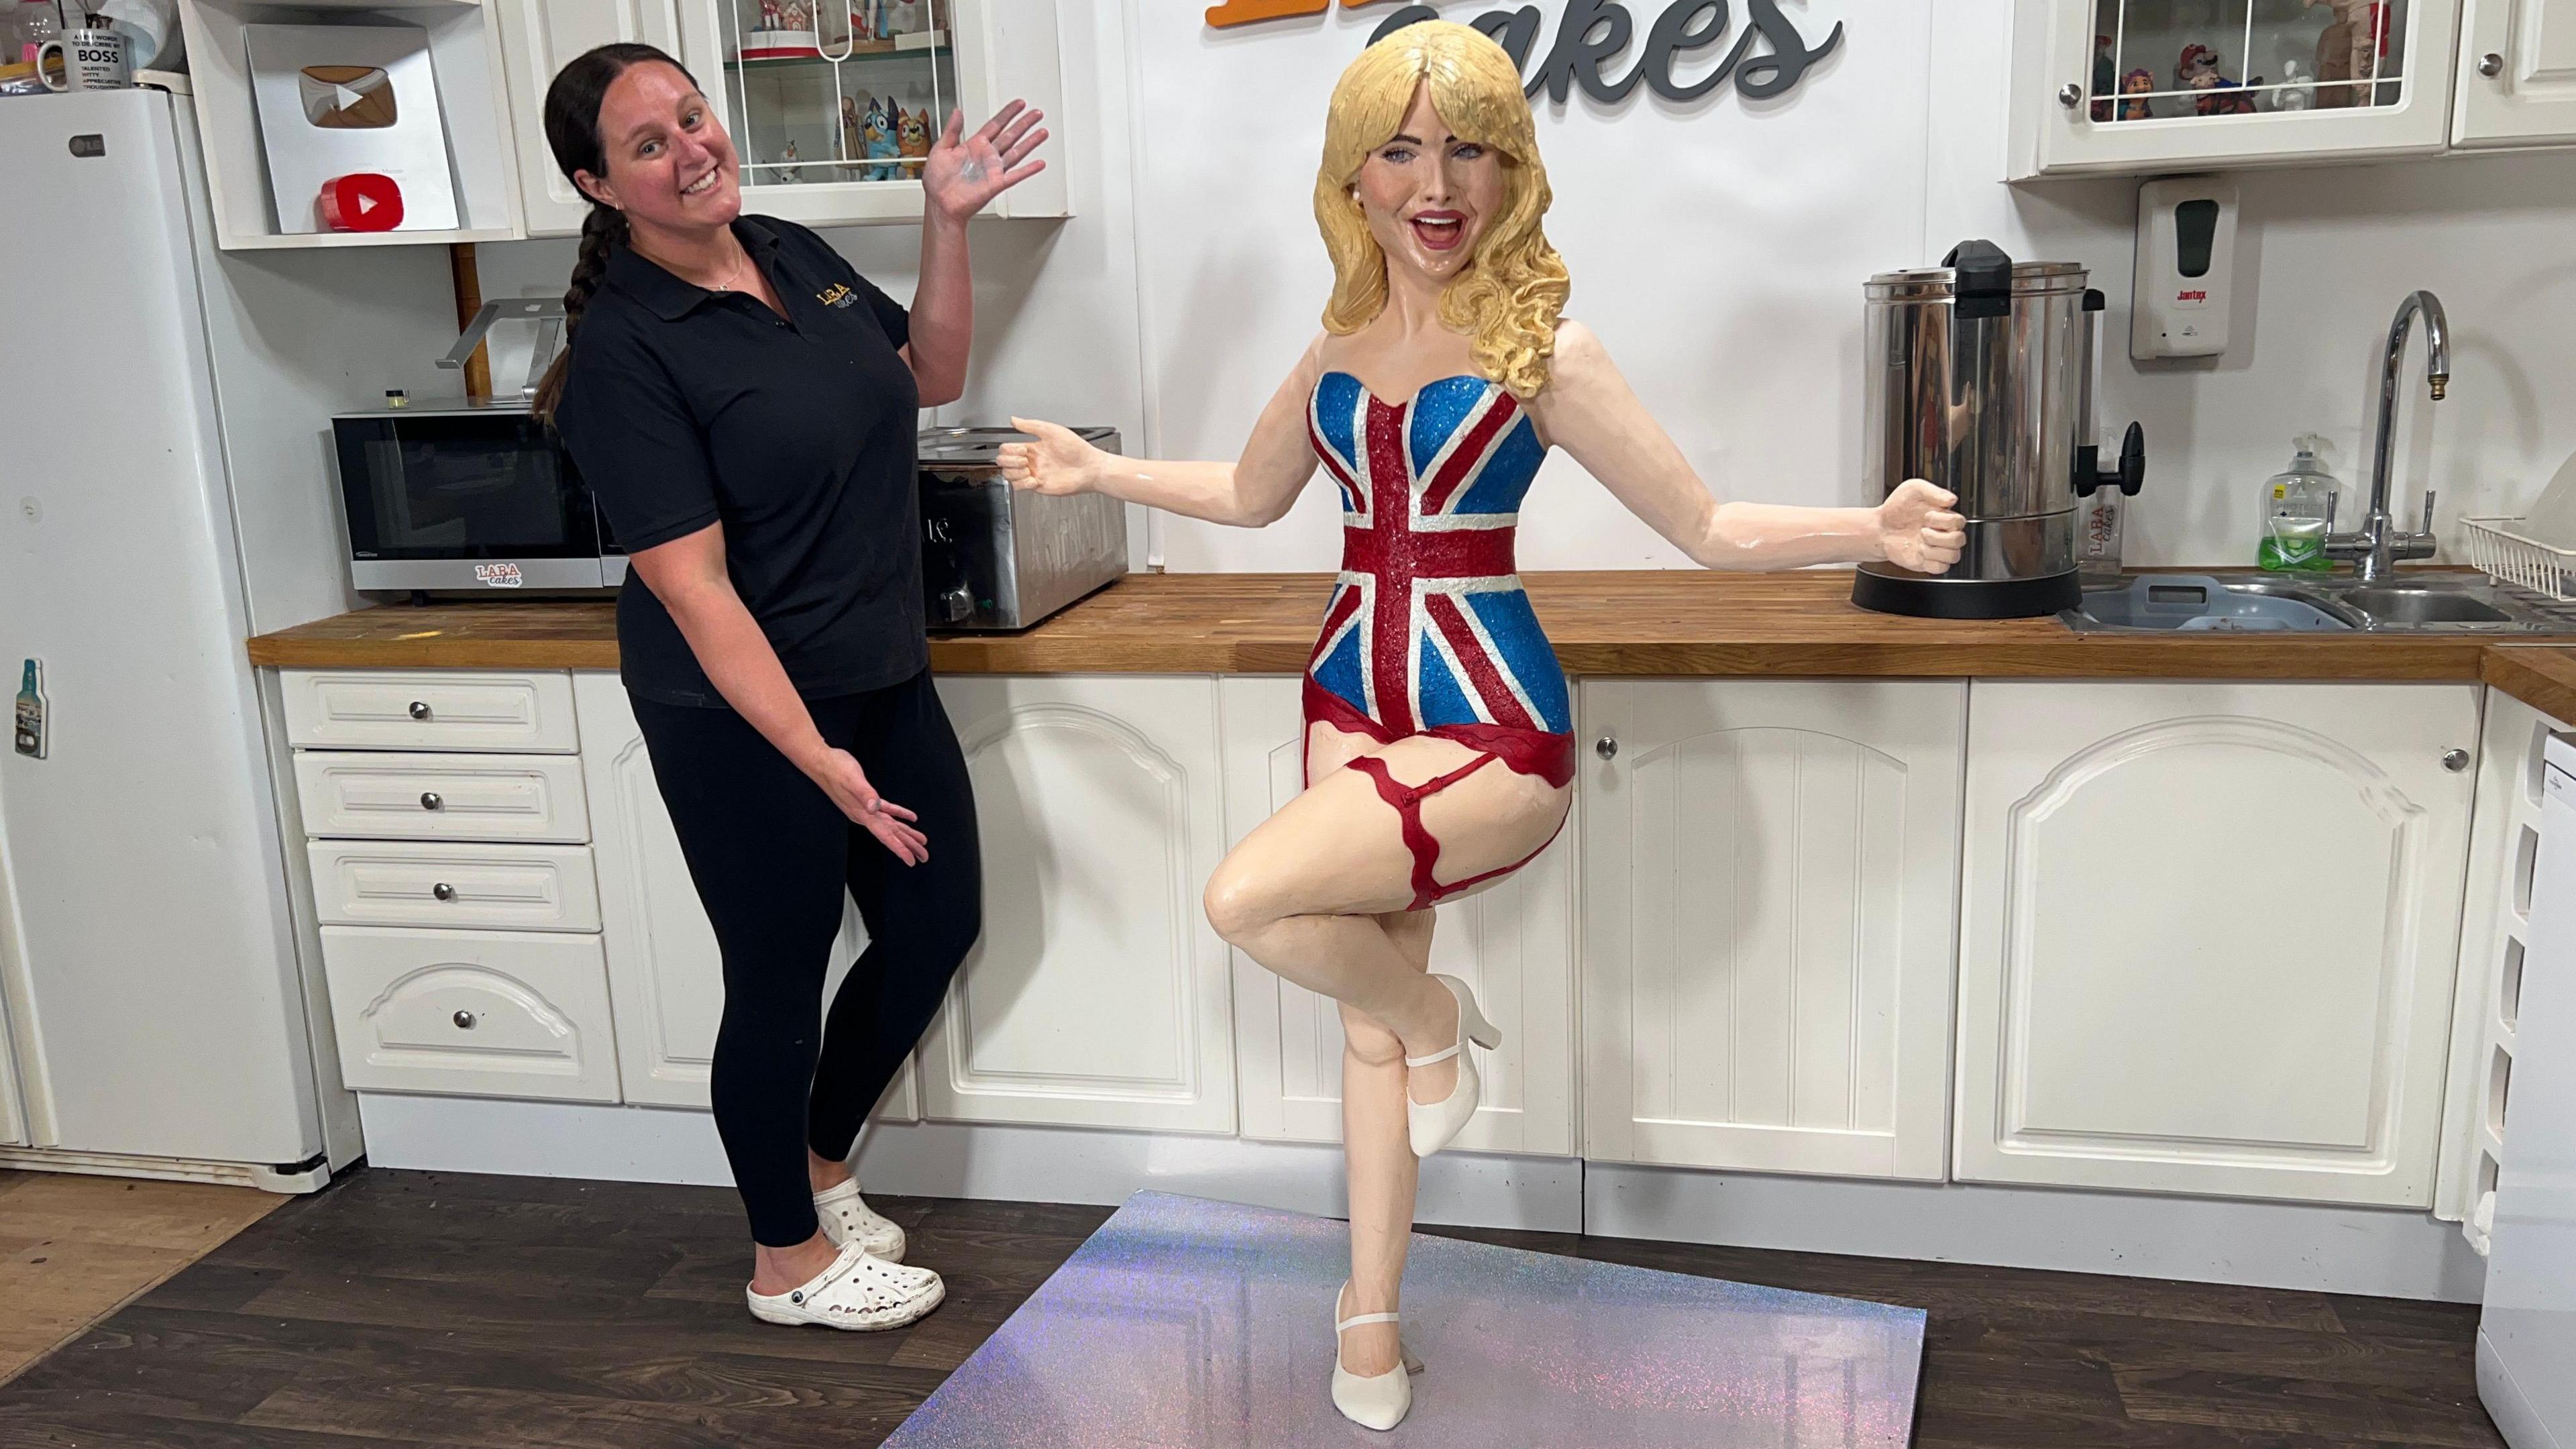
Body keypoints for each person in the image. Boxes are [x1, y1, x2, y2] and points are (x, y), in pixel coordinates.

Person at [996, 21, 1960, 1431]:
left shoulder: (1544, 348)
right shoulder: (1331, 342)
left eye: (1468, 149)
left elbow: (1702, 523)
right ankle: (1371, 1315)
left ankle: (1445, 1023)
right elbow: (1254, 496)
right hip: (1344, 702)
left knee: (1250, 901)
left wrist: (1861, 526)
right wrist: (1104, 468)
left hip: (1494, 724)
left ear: (1513, 171)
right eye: (1401, 150)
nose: (1435, 183)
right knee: (1363, 1033)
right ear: (1354, 177)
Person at [531, 42, 1046, 1331]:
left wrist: (944, 220)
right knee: (778, 972)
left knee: (935, 927)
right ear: (601, 185)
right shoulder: (624, 349)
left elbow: (930, 375)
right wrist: (819, 763)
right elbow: (697, 592)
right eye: (650, 144)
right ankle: (785, 1264)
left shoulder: (787, 249)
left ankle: (817, 1170)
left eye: (693, 119)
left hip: (877, 668)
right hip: (741, 716)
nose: (692, 149)